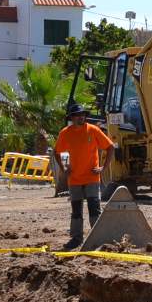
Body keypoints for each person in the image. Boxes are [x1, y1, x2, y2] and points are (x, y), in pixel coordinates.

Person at [54, 104, 114, 250]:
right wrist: (65, 167)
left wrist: (103, 167)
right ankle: (76, 238)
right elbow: (59, 151)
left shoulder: (93, 130)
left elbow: (110, 146)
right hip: (74, 179)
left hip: (92, 177)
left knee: (94, 208)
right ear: (72, 118)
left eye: (82, 114)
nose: (81, 117)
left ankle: (98, 236)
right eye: (77, 115)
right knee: (76, 210)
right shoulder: (65, 133)